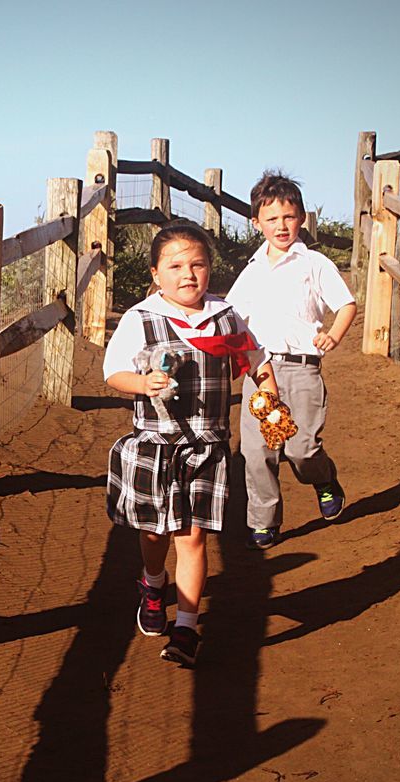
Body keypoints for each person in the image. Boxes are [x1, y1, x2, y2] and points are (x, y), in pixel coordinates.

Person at [104, 222, 277, 666]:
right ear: (155, 273)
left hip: (207, 445)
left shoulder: (225, 317)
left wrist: (269, 398)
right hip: (155, 445)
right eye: (175, 265)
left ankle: (186, 630)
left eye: (197, 264)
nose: (188, 274)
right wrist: (143, 383)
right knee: (154, 531)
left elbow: (256, 362)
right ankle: (153, 580)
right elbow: (113, 374)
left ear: (209, 269)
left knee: (193, 537)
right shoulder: (141, 319)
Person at [226, 171, 357, 550]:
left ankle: (323, 478)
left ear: (300, 217)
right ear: (256, 223)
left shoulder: (314, 264)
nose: (281, 226)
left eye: (288, 217)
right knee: (259, 451)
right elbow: (232, 319)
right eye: (271, 219)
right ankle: (263, 520)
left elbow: (346, 304)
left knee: (301, 448)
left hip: (302, 370)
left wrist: (333, 334)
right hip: (261, 372)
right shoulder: (251, 271)